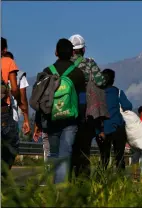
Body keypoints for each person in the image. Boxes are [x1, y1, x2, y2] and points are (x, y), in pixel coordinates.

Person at [36, 38, 85, 184]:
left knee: (54, 153)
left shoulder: (47, 71)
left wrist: (39, 122)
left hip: (51, 119)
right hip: (70, 121)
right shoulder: (77, 73)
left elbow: (41, 99)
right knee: (66, 153)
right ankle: (60, 188)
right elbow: (82, 100)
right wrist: (81, 119)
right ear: (72, 53)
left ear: (56, 52)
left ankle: (53, 186)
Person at [68, 34, 107, 179]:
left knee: (69, 146)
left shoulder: (64, 65)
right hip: (84, 109)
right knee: (84, 147)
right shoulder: (90, 63)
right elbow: (101, 81)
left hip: (66, 109)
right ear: (83, 49)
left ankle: (66, 178)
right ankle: (83, 179)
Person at [97, 69, 132, 170]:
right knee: (119, 157)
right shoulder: (118, 92)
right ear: (113, 79)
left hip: (102, 128)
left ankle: (101, 181)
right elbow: (128, 106)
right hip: (117, 127)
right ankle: (120, 181)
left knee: (104, 157)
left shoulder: (98, 93)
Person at [1, 37, 20, 177]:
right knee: (11, 144)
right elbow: (14, 89)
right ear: (5, 49)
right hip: (3, 112)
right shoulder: (8, 61)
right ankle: (3, 175)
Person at [3, 52, 31, 136]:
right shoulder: (20, 76)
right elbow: (23, 100)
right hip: (12, 117)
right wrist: (26, 120)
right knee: (11, 146)